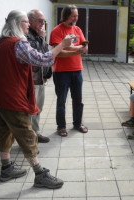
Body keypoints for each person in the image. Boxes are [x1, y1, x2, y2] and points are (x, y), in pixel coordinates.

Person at [0, 10, 74, 188]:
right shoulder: (18, 44)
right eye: (26, 22)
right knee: (27, 134)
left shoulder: (1, 42)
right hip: (11, 98)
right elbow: (43, 59)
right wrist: (62, 45)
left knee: (5, 132)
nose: (28, 25)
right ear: (18, 24)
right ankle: (40, 173)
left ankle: (6, 168)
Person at [49, 4, 88, 137]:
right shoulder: (57, 31)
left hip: (77, 70)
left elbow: (84, 45)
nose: (76, 18)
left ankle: (78, 123)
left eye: (77, 15)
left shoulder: (77, 29)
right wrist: (77, 50)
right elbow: (58, 52)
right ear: (66, 16)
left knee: (78, 100)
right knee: (61, 101)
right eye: (74, 15)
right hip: (61, 72)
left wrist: (82, 48)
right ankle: (61, 126)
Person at [26, 9, 51, 143]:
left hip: (40, 79)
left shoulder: (38, 33)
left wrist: (47, 73)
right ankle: (29, 138)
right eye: (40, 20)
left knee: (38, 108)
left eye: (43, 21)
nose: (43, 23)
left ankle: (35, 133)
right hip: (31, 80)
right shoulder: (26, 35)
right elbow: (35, 55)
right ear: (30, 21)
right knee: (30, 109)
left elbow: (46, 53)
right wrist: (41, 38)